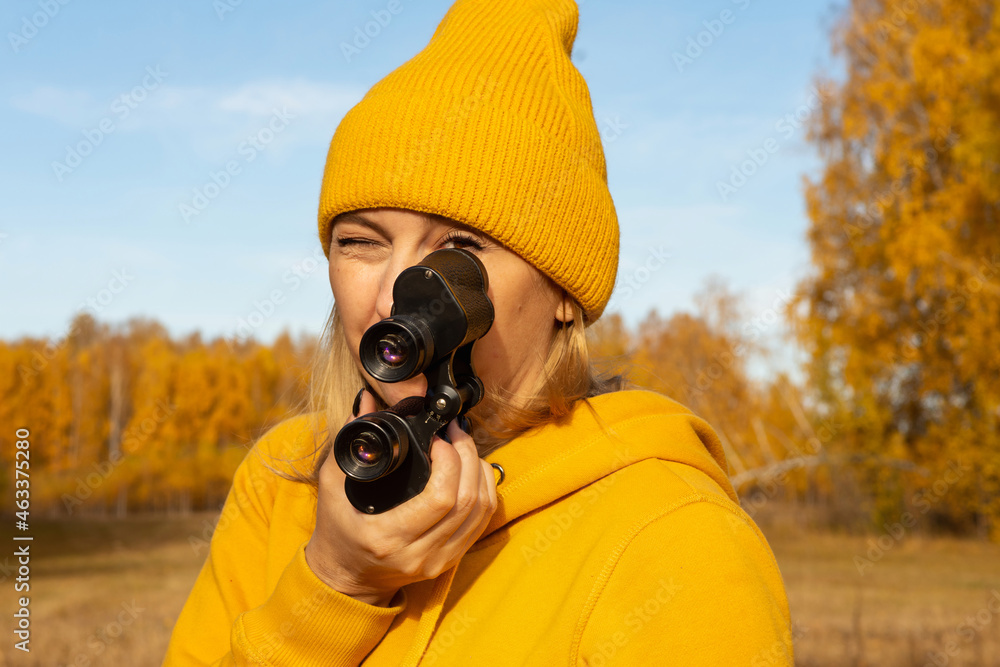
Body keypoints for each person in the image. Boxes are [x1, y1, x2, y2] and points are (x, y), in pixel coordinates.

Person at [164, 0, 794, 664]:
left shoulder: (671, 537)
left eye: (458, 251)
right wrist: (332, 580)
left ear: (563, 294)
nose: (389, 296)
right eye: (361, 243)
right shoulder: (280, 485)